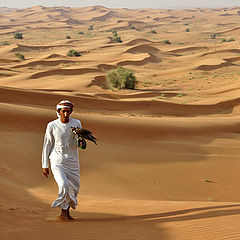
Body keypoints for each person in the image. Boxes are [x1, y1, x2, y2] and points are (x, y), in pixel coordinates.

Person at [42, 100, 82, 221]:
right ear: (58, 112)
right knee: (64, 185)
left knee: (73, 188)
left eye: (68, 111)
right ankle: (63, 212)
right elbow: (47, 145)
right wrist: (45, 165)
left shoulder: (77, 123)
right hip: (57, 160)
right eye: (63, 111)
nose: (66, 114)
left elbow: (78, 142)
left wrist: (81, 142)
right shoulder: (52, 125)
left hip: (73, 161)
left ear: (71, 112)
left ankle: (66, 213)